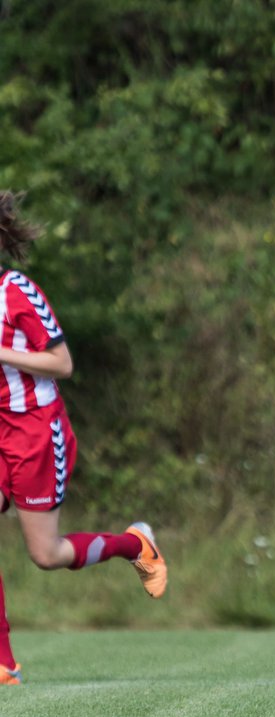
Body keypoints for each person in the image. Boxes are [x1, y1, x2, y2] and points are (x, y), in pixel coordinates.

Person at [0, 191, 168, 686]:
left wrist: (3, 353)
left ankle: (133, 544)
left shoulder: (16, 292)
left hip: (35, 429)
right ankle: (4, 665)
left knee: (46, 555)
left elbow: (62, 363)